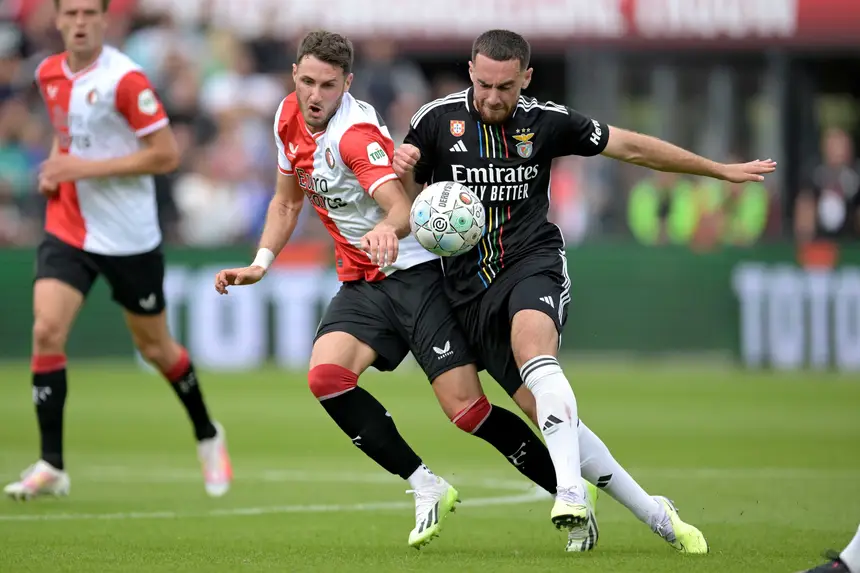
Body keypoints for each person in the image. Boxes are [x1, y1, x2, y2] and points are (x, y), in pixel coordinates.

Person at [395, 28, 776, 553]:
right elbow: (401, 186)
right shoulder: (436, 119)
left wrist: (716, 171)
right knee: (548, 419)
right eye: (483, 83)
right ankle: (657, 513)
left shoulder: (546, 122)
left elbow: (634, 148)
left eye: (505, 86)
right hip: (466, 294)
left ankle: (569, 490)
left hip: (532, 264)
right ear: (470, 72)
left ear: (525, 78)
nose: (492, 96)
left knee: (535, 350)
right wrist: (403, 168)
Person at [213, 29, 591, 549]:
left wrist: (388, 229)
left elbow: (400, 205)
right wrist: (260, 263)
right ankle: (426, 485)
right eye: (306, 82)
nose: (315, 95)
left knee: (467, 411)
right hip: (363, 278)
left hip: (416, 277)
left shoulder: (355, 138)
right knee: (326, 377)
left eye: (327, 85)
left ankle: (571, 495)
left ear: (347, 84)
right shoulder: (286, 118)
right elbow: (285, 203)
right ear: (294, 77)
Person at [3, 0, 232, 501]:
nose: (80, 23)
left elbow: (167, 154)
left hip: (130, 238)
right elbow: (71, 140)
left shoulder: (125, 80)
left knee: (157, 349)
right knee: (46, 330)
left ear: (105, 20)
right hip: (70, 226)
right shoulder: (48, 73)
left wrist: (77, 169)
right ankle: (52, 464)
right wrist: (54, 170)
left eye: (90, 13)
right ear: (57, 20)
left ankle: (208, 433)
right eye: (72, 14)